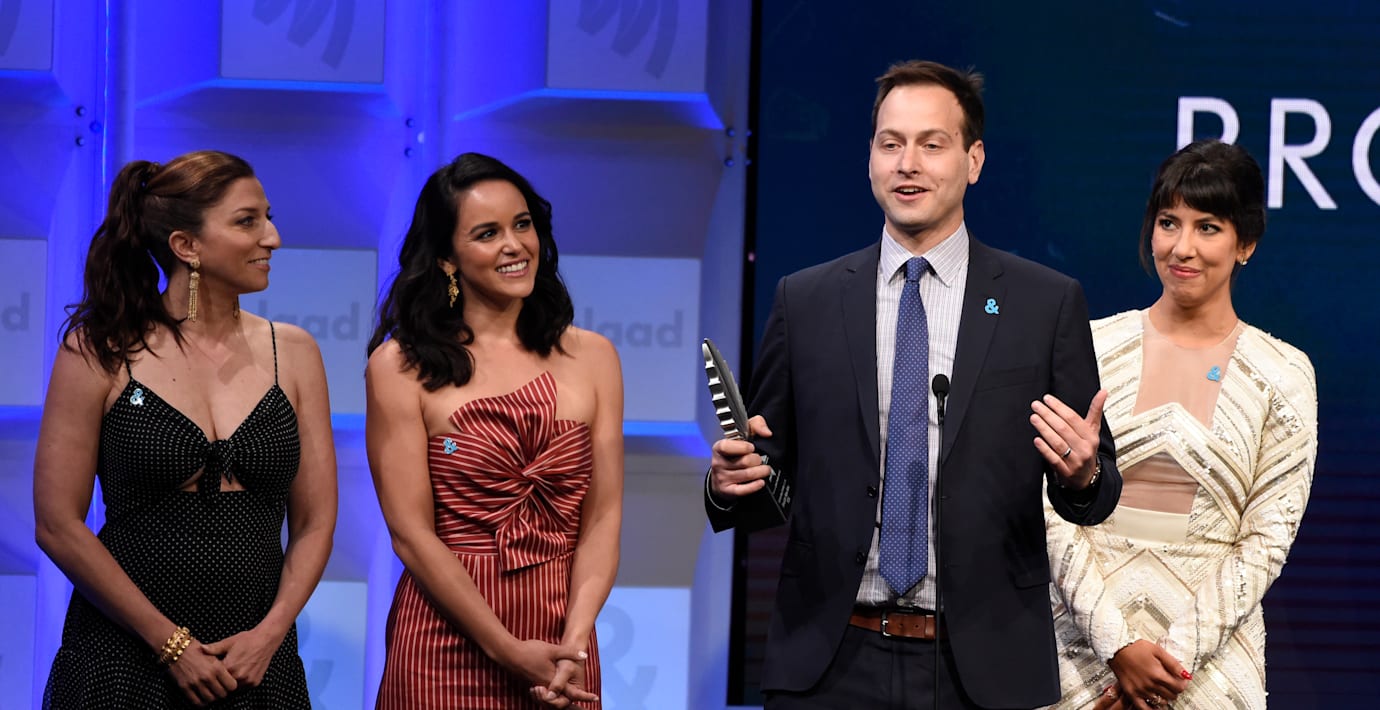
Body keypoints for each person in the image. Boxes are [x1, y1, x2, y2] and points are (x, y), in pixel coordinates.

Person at [705, 59, 1123, 709]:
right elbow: (767, 483)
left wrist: (1082, 475)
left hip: (980, 668)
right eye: (890, 144)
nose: (908, 164)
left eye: (932, 145)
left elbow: (1095, 495)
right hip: (829, 661)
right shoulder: (806, 301)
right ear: (870, 159)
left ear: (973, 160)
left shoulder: (1043, 304)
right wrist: (730, 484)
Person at [34, 150, 337, 708]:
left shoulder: (294, 352)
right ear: (186, 246)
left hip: (255, 661)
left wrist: (269, 635)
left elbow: (315, 523)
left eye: (268, 217)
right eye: (247, 221)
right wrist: (170, 645)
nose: (272, 238)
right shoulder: (99, 350)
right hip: (125, 656)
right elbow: (57, 525)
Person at [1044, 140, 1318, 710]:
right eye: (1169, 223)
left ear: (1246, 243)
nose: (1182, 247)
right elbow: (1045, 508)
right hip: (1077, 661)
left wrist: (1167, 668)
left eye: (1208, 227)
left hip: (1208, 673)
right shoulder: (1087, 346)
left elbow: (1266, 541)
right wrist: (1116, 647)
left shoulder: (1284, 374)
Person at [366, 152, 623, 709]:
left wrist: (575, 642)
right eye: (487, 233)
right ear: (447, 259)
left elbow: (602, 518)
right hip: (443, 642)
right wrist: (506, 648)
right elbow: (411, 535)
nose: (515, 245)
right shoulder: (399, 365)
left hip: (563, 645)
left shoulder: (594, 356)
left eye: (522, 224)